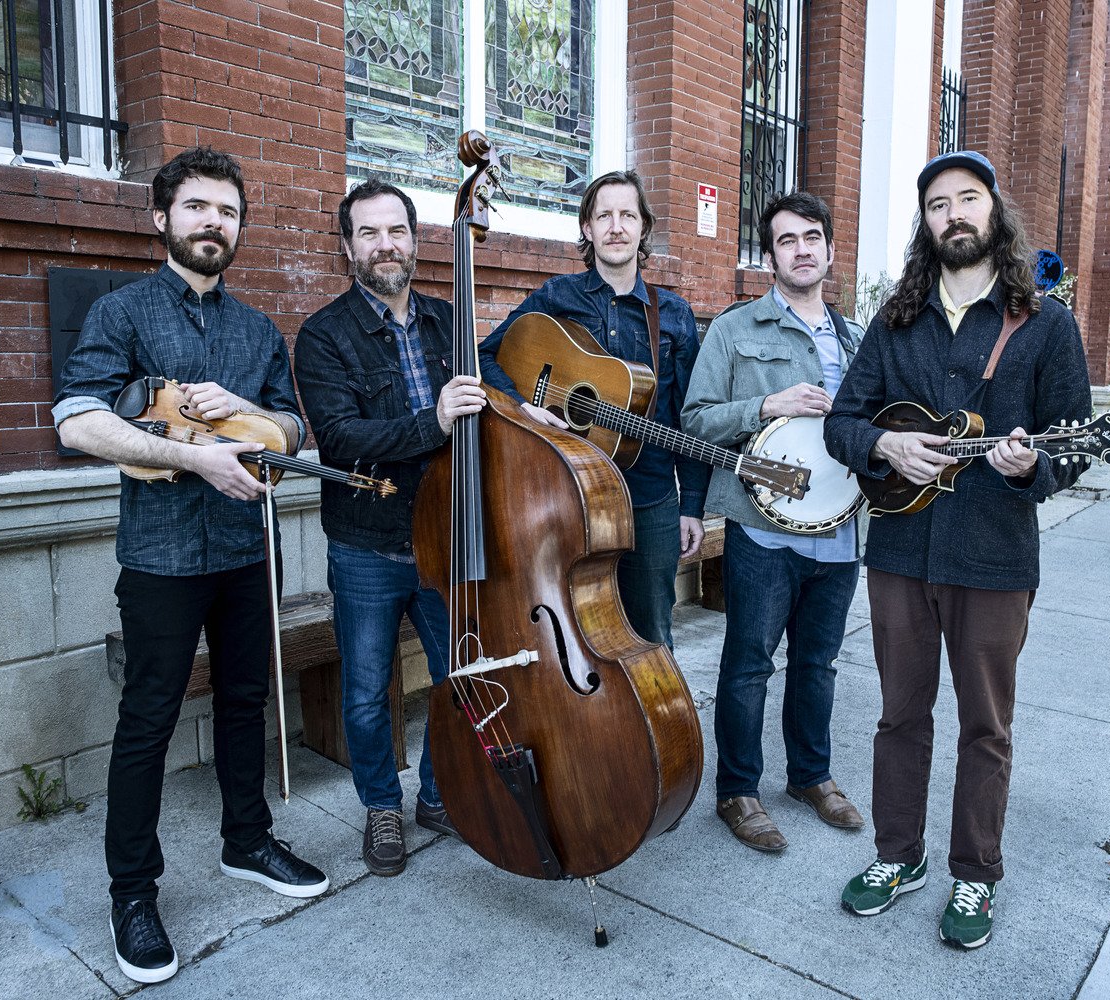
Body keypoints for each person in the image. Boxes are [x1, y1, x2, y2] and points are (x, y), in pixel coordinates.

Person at [53, 147, 328, 985]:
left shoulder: (255, 330)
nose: (215, 223)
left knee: (248, 700)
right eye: (199, 208)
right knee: (149, 722)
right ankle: (131, 894)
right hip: (162, 557)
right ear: (163, 218)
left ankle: (246, 840)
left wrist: (246, 413)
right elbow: (75, 421)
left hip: (247, 550)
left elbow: (293, 435)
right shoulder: (124, 311)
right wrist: (192, 459)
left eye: (229, 211)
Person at [824, 151, 1092, 949]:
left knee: (986, 725)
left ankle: (974, 875)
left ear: (993, 211)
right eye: (937, 205)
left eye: (966, 199)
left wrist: (1032, 466)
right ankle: (896, 856)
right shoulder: (896, 318)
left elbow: (1073, 441)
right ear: (926, 223)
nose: (953, 216)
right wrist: (884, 449)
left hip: (995, 558)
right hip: (902, 553)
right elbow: (843, 421)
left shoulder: (1045, 323)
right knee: (900, 715)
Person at [293, 179, 486, 878]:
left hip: (445, 536)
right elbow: (342, 438)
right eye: (368, 234)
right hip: (366, 545)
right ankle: (381, 807)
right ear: (348, 247)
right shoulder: (323, 335)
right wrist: (432, 422)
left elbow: (493, 393)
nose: (385, 245)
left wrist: (535, 414)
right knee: (367, 690)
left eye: (396, 231)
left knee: (457, 676)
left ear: (415, 239)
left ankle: (439, 795)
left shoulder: (447, 322)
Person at [681, 192, 865, 854]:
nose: (803, 249)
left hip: (840, 534)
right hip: (763, 531)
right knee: (749, 663)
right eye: (787, 240)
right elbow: (695, 418)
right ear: (770, 257)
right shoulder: (735, 330)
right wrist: (768, 404)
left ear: (831, 250)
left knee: (818, 663)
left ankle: (810, 777)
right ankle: (738, 791)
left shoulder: (857, 340)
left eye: (812, 237)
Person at [476, 170, 709, 651]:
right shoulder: (557, 297)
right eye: (604, 215)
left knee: (651, 639)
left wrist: (692, 508)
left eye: (628, 215)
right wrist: (525, 407)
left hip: (650, 501)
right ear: (587, 228)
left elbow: (691, 418)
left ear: (644, 227)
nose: (616, 226)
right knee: (573, 634)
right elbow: (484, 357)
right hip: (566, 497)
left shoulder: (676, 315)